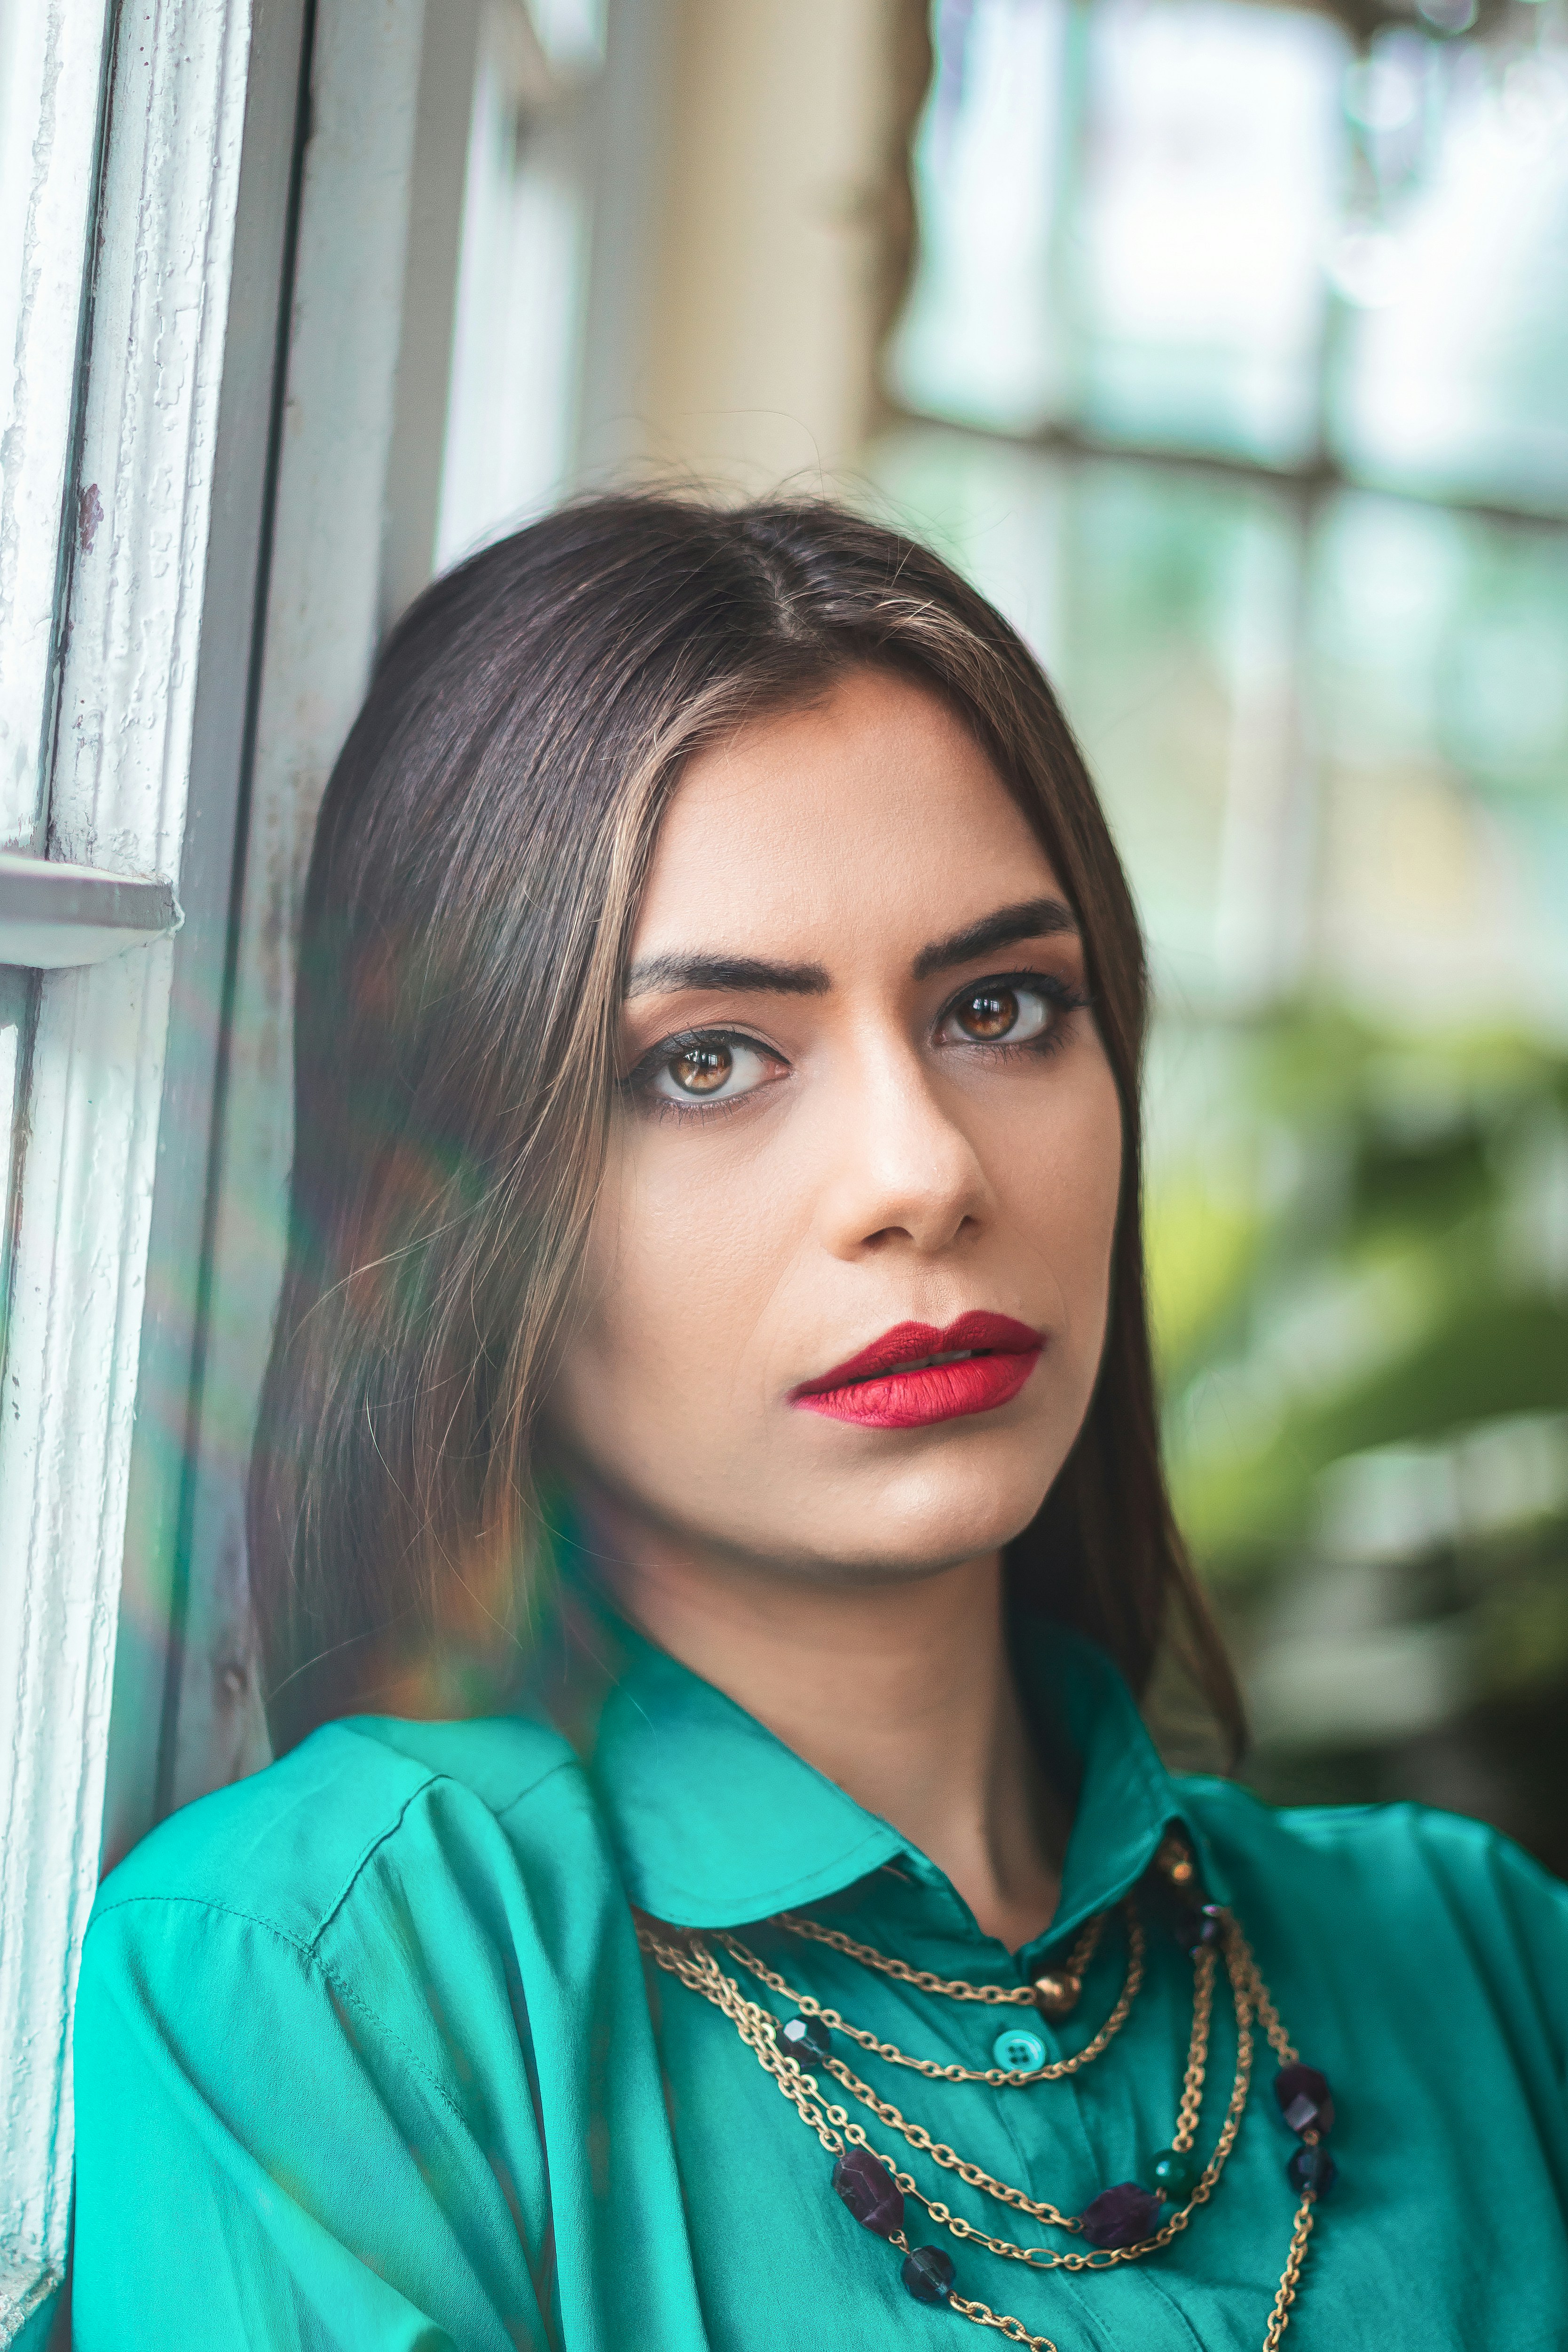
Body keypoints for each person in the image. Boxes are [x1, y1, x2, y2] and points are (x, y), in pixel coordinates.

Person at [71, 496, 1567, 2350]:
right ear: (462, 1196)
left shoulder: (1490, 1961)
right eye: (707, 1059)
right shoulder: (332, 1980)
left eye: (1004, 1008)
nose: (922, 1173)